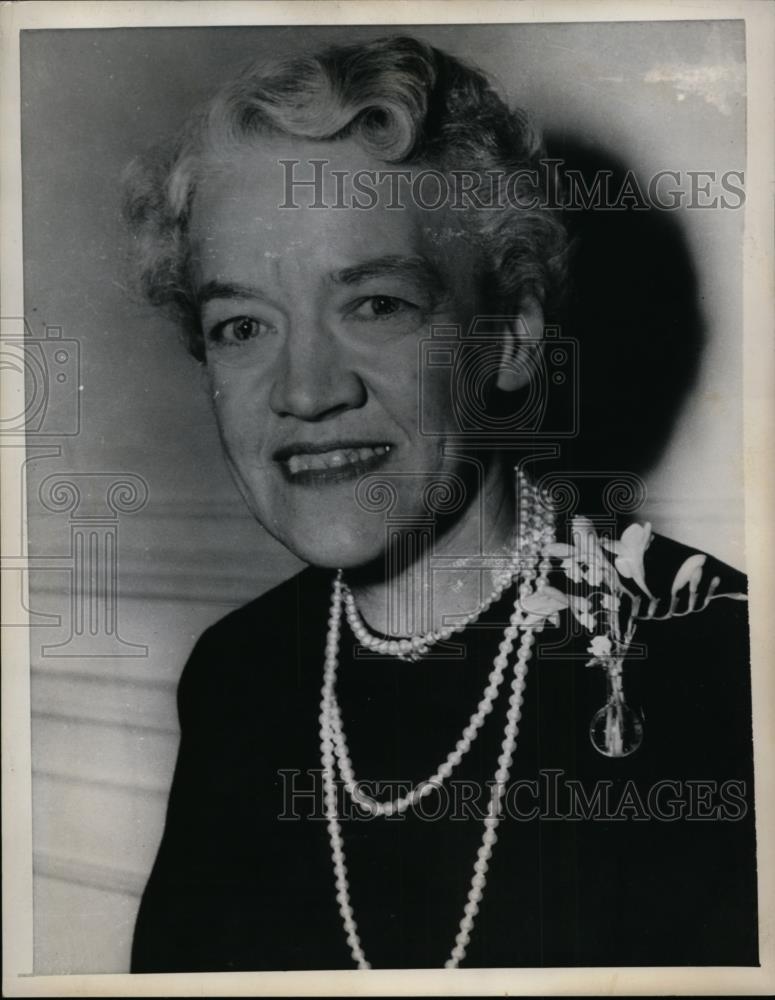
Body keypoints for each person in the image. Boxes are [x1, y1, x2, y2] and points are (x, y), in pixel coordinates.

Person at [123, 35, 757, 972]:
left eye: (375, 304)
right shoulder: (236, 681)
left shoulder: (721, 661)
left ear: (510, 336)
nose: (304, 392)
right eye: (242, 325)